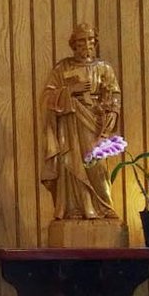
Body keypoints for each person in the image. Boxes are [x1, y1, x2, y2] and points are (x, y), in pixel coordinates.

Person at [40, 23, 122, 220]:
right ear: (74, 44)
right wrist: (70, 91)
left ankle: (102, 206)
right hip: (71, 125)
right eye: (81, 41)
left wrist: (111, 113)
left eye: (90, 40)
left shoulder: (104, 68)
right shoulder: (62, 68)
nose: (86, 44)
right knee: (72, 163)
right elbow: (46, 98)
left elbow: (114, 96)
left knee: (97, 165)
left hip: (96, 122)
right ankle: (75, 208)